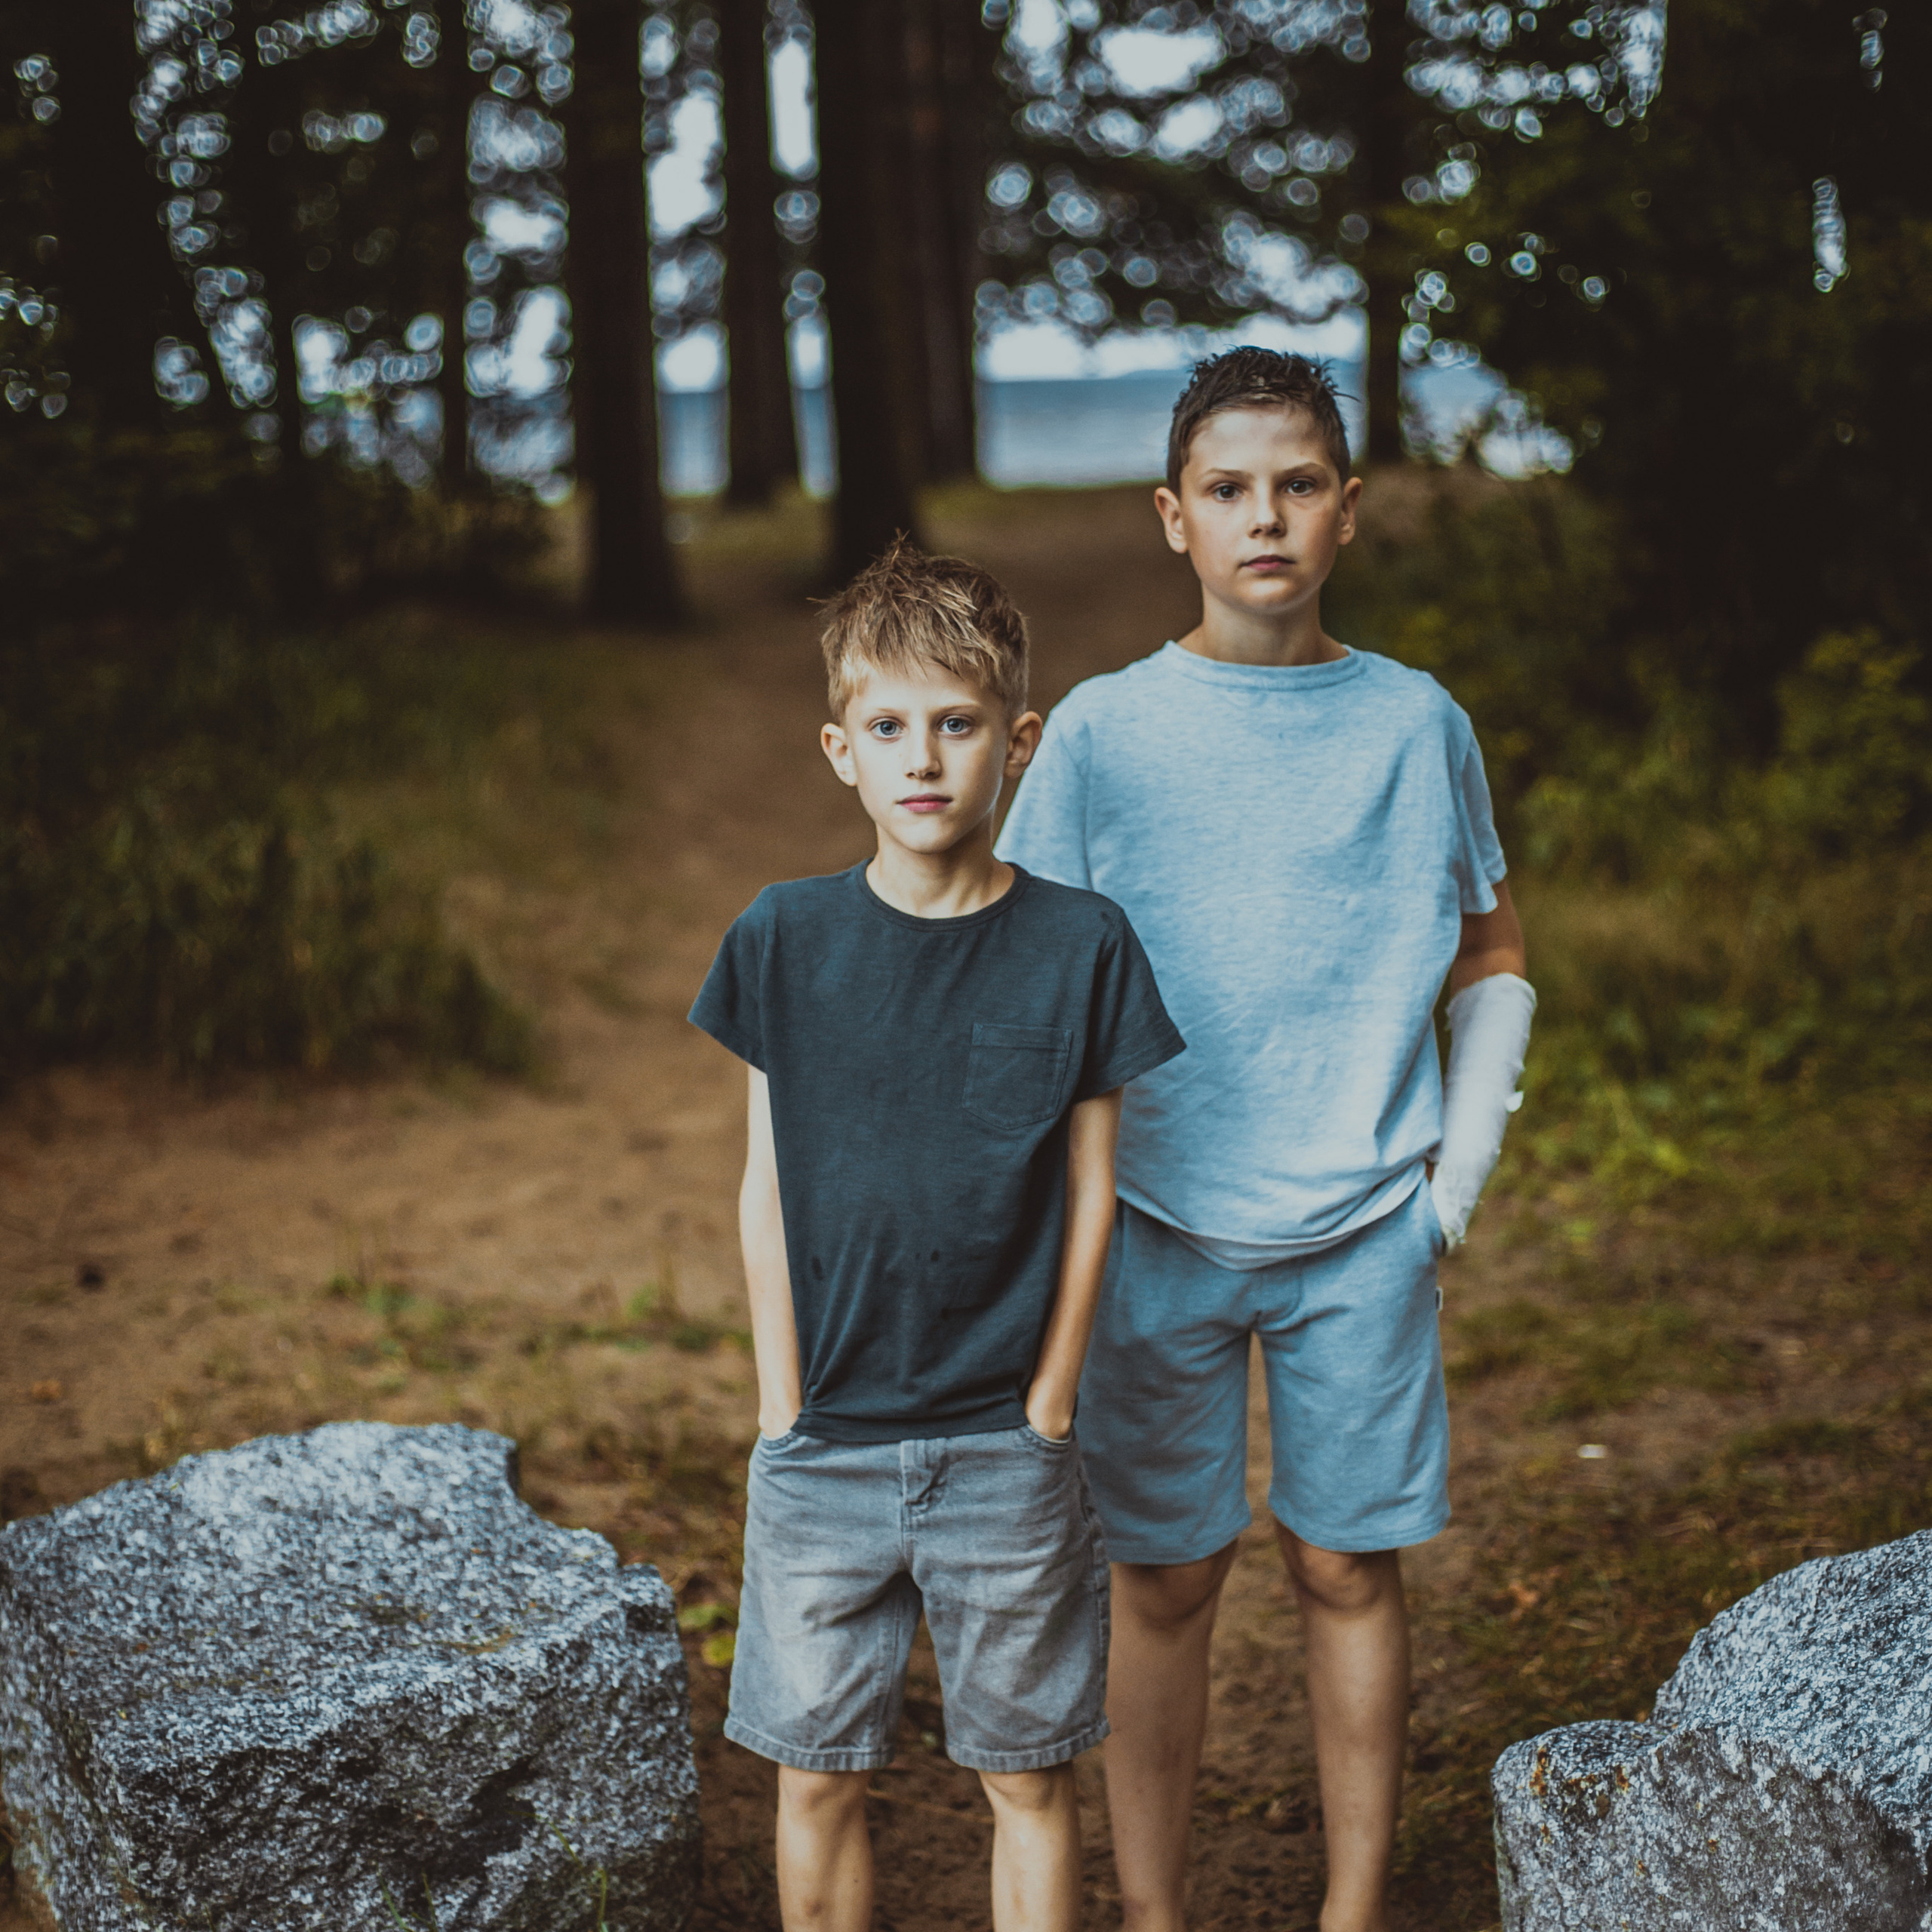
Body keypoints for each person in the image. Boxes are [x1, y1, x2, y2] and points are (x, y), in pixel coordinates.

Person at [995, 347, 1536, 1932]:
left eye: (1297, 485)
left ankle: (1352, 1907)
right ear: (1174, 517)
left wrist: (1448, 1191)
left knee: (1345, 1565)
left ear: (1346, 510)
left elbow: (1492, 954)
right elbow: (1018, 973)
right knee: (1163, 1576)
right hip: (1151, 1225)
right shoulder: (1101, 735)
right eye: (1227, 489)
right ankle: (1156, 1912)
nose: (1265, 518)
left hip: (1364, 1224)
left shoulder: (1414, 724)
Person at [689, 541, 1186, 1932]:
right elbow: (764, 1185)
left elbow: (1094, 1190)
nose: (924, 759)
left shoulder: (1082, 947)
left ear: (1018, 743)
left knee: (1026, 1778)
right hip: (822, 1449)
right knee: (814, 1780)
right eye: (891, 727)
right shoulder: (783, 941)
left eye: (959, 724)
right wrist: (780, 1408)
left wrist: (1048, 1406)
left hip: (1004, 1455)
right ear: (840, 750)